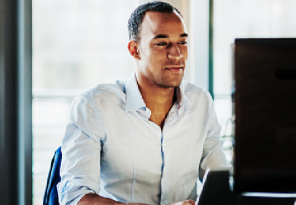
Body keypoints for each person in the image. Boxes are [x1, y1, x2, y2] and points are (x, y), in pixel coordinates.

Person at [57, 1, 228, 205]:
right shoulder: (93, 106)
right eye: (162, 43)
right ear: (135, 50)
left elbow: (221, 183)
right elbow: (75, 198)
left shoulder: (201, 102)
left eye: (182, 42)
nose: (177, 54)